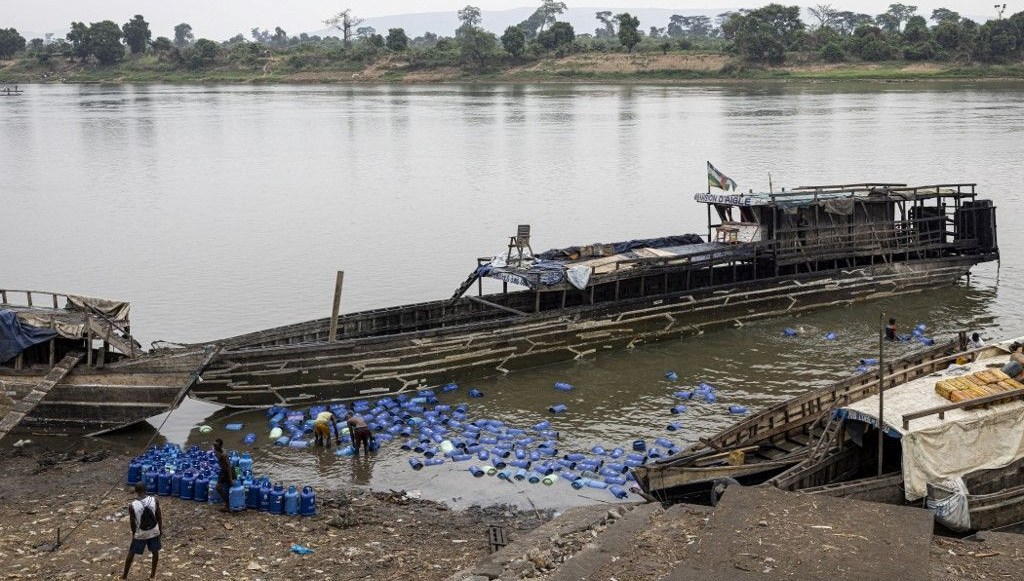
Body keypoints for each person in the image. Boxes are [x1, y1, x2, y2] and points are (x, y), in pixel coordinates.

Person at [123, 481, 162, 580]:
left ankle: (124, 576)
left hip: (140, 533)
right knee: (155, 552)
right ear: (146, 489)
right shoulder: (154, 500)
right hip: (154, 531)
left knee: (131, 553)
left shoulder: (132, 506)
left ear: (136, 491)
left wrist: (134, 534)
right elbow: (159, 517)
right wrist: (160, 530)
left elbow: (132, 523)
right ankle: (152, 575)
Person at [213, 438, 233, 513]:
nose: (214, 445)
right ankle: (227, 504)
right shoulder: (216, 450)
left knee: (220, 487)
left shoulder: (223, 454)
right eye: (214, 444)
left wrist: (230, 479)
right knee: (219, 488)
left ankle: (228, 505)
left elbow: (229, 466)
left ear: (220, 446)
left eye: (216, 445)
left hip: (227, 471)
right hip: (222, 470)